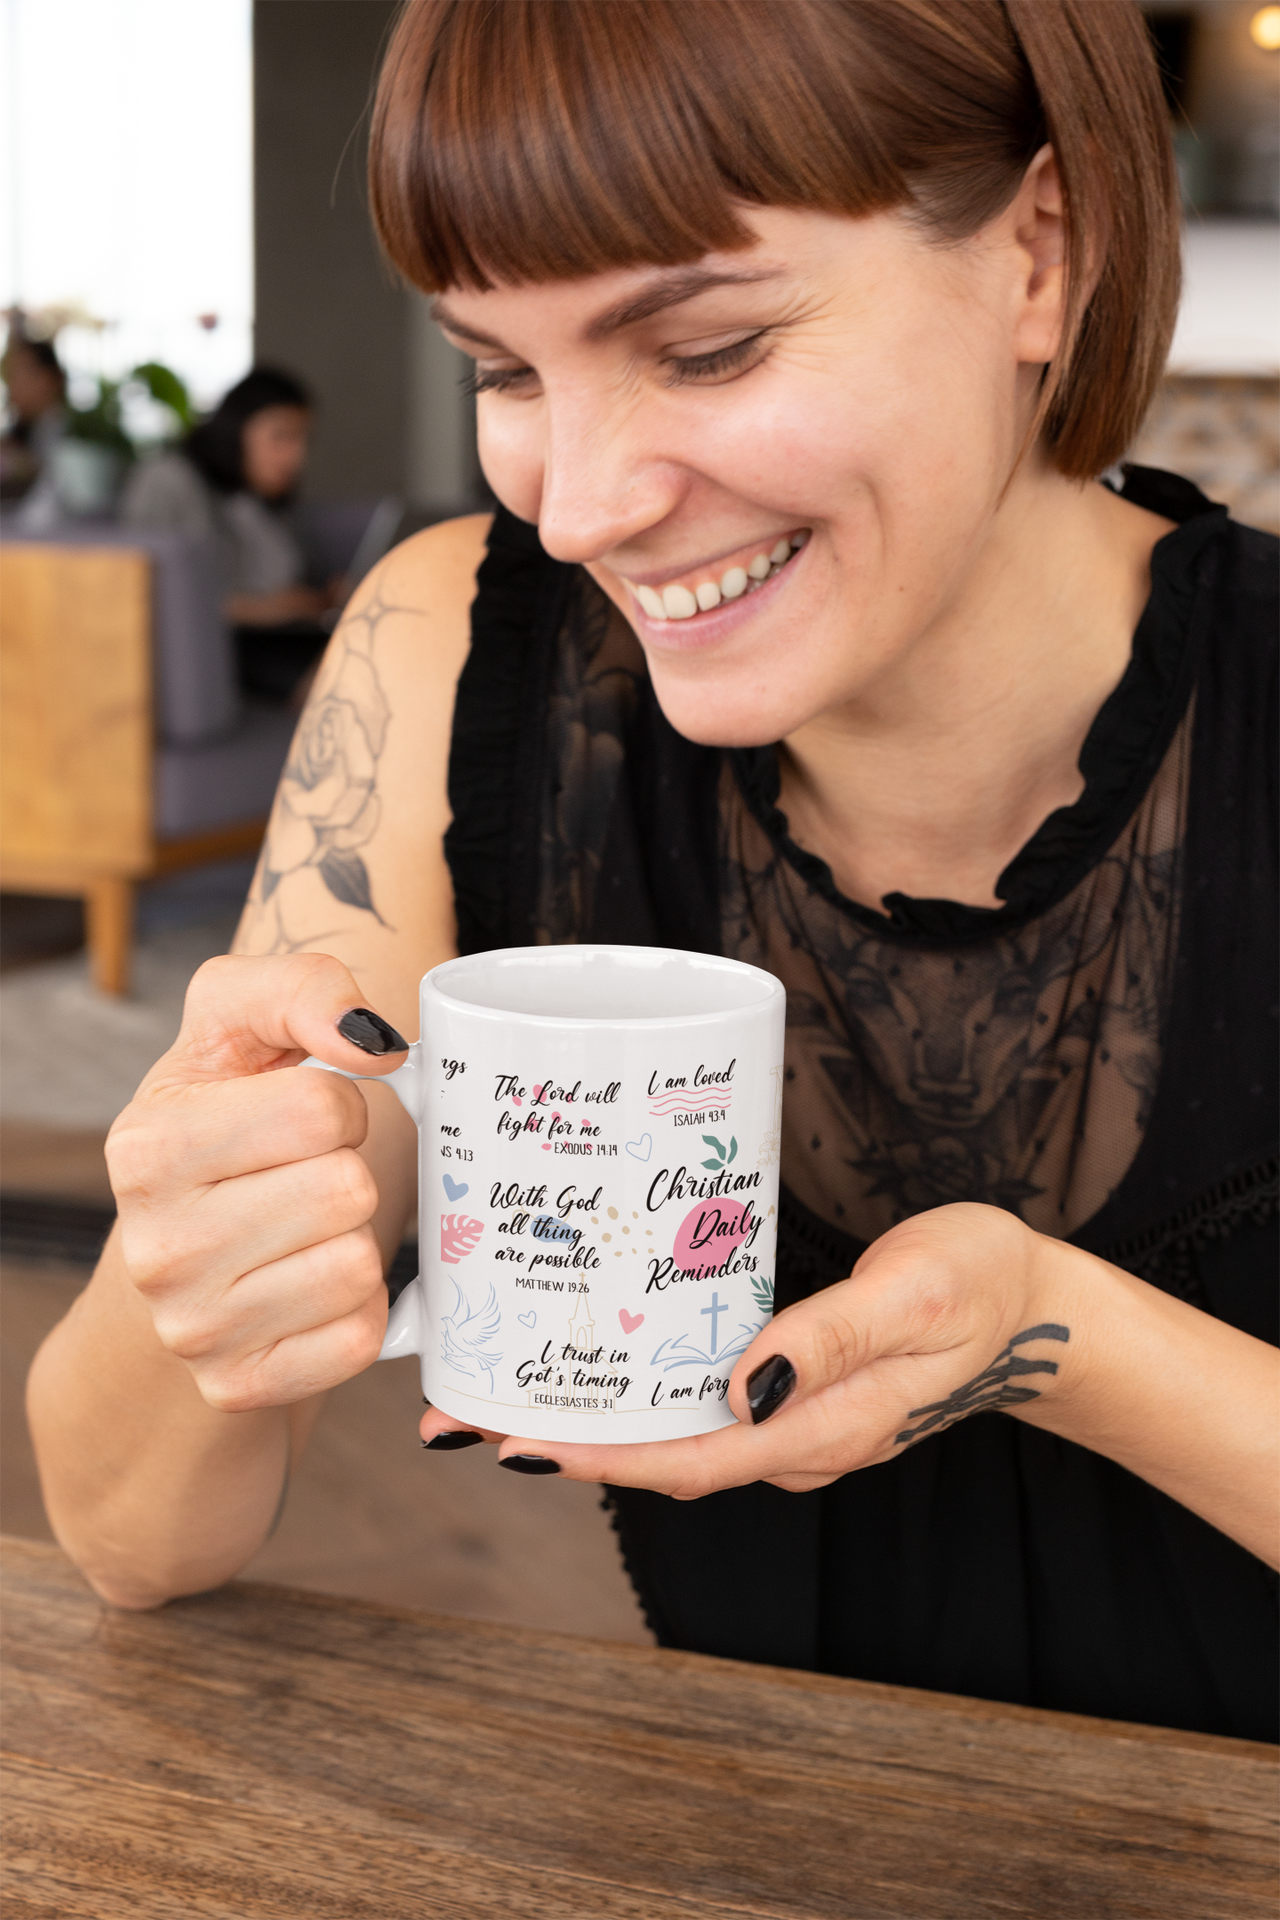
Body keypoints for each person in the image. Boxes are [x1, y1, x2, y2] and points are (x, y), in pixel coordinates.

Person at [28, 0, 1277, 1745]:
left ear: (1038, 256)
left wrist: (1056, 1337)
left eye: (704, 350)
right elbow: (131, 1539)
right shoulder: (457, 651)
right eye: (506, 372)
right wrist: (228, 1236)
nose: (583, 507)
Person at [121, 366, 343, 701]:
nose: (297, 456)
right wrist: (270, 607)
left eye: (303, 439)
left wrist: (321, 598)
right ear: (237, 428)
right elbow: (154, 597)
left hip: (277, 634)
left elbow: (283, 574)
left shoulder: (255, 498)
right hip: (216, 645)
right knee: (343, 669)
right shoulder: (169, 480)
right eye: (281, 436)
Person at [0, 325, 67, 510]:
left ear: (50, 377)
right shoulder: (26, 430)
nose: (11, 386)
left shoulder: (71, 433)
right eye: (8, 377)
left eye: (18, 374)